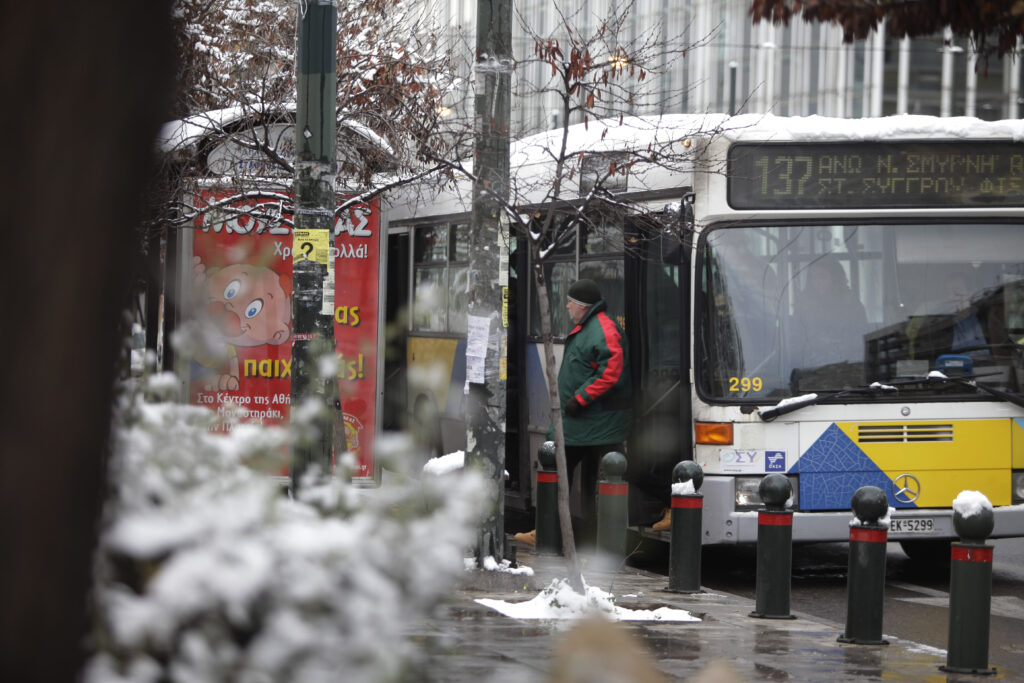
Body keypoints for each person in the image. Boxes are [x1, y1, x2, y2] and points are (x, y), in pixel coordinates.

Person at [515, 279, 632, 547]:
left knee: (556, 465)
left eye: (570, 302)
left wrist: (580, 399)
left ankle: (549, 531)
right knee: (574, 474)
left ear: (581, 306)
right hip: (585, 421)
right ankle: (557, 532)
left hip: (594, 422)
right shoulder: (589, 327)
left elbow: (611, 371)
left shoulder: (603, 328)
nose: (567, 306)